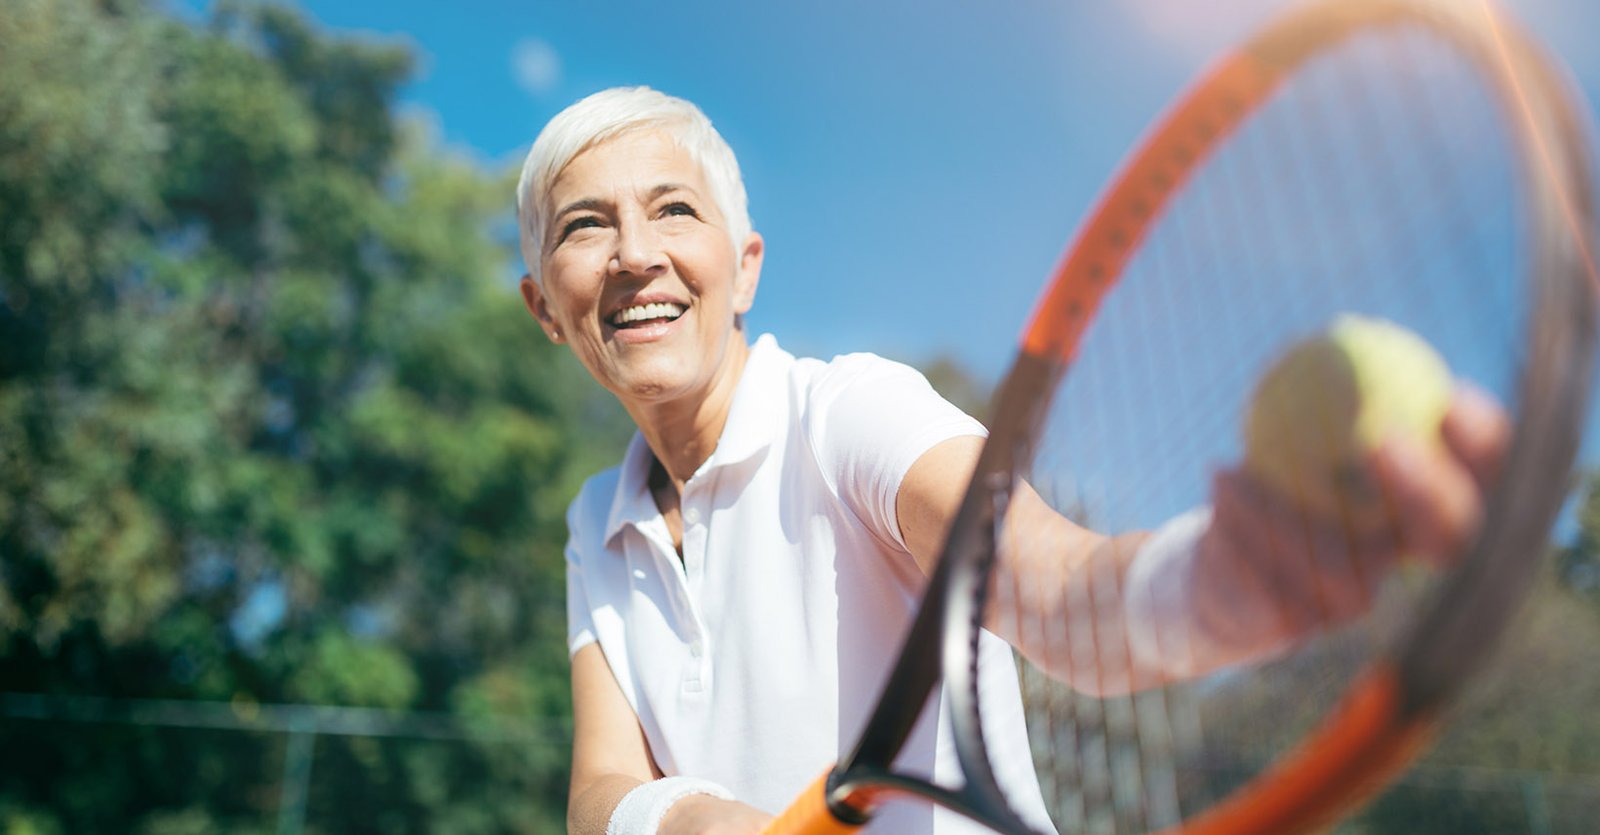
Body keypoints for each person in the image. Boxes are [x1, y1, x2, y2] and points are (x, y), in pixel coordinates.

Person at [515, 86, 1506, 835]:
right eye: (584, 225)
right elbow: (601, 782)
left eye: (673, 210)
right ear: (544, 310)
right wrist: (699, 820)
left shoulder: (853, 410)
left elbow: (1057, 585)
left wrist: (1201, 585)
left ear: (746, 268)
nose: (634, 253)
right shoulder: (593, 520)